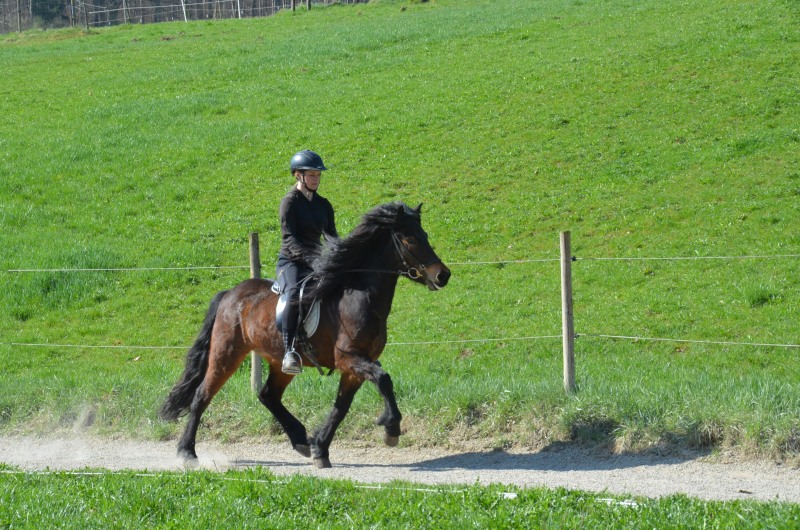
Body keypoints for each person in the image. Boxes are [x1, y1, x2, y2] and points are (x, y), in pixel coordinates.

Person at [276, 150, 338, 374]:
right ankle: (289, 351)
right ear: (297, 175)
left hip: (317, 261)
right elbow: (289, 239)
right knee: (294, 293)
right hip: (291, 262)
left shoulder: (323, 205)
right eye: (311, 175)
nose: (316, 179)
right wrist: (313, 260)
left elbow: (331, 237)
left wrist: (341, 256)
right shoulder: (289, 202)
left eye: (318, 175)